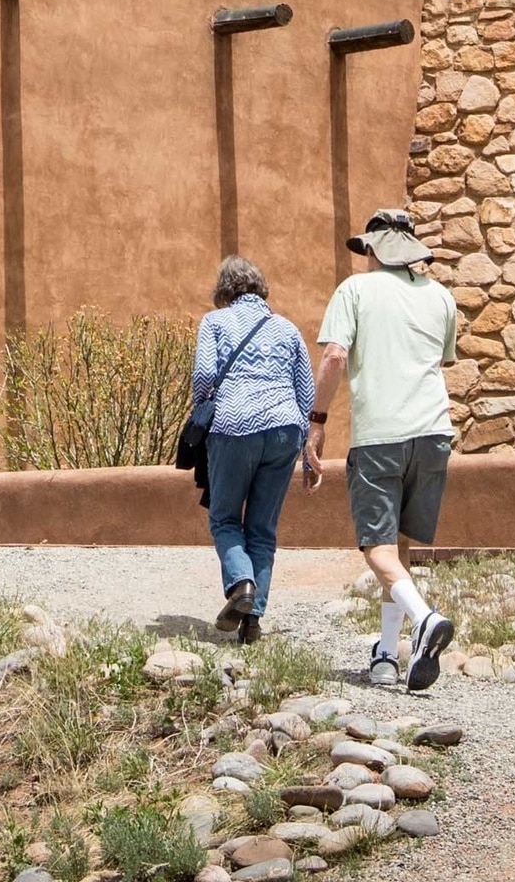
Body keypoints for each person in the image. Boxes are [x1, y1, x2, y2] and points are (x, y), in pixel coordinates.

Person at [311, 205, 459, 692]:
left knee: (376, 545)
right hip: (434, 433)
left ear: (370, 248)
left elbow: (335, 356)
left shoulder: (354, 290)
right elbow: (441, 359)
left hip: (381, 435)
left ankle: (424, 619)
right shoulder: (441, 297)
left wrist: (317, 421)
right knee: (401, 547)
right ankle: (388, 653)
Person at [190, 254, 316, 641]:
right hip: (284, 430)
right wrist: (308, 452)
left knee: (226, 519)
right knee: (262, 528)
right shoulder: (287, 328)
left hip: (232, 427)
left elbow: (204, 375)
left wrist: (202, 410)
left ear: (224, 290)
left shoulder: (214, 322)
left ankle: (241, 584)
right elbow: (305, 391)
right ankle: (253, 622)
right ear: (260, 288)